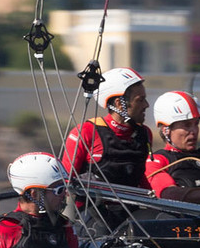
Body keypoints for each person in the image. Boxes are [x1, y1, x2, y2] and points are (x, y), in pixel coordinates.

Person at [62, 66, 152, 226]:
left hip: (132, 214)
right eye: (140, 100)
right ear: (119, 104)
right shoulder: (86, 132)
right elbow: (64, 184)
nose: (146, 105)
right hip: (93, 217)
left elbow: (142, 178)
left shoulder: (145, 134)